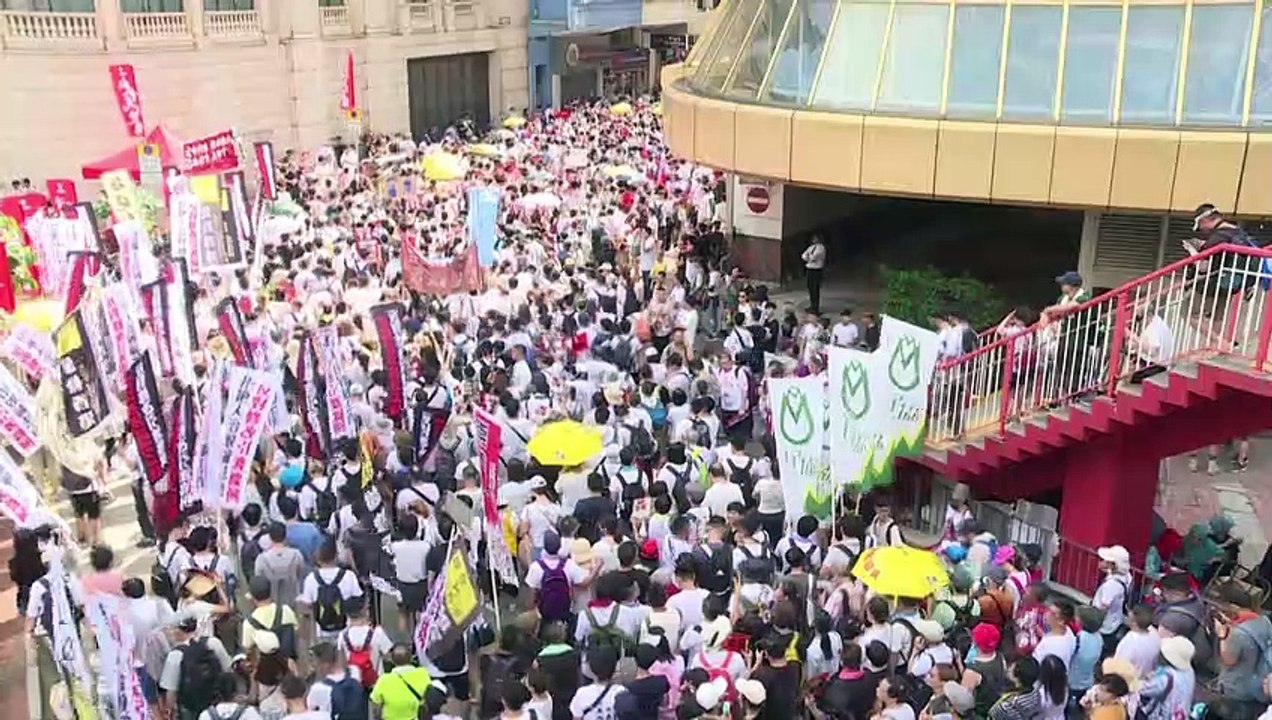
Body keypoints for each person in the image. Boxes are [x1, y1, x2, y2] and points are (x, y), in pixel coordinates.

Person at [158, 616, 233, 720]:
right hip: (216, 701)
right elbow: (228, 669)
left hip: (190, 706)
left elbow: (171, 690)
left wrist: (169, 711)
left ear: (177, 631)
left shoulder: (176, 654)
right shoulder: (213, 643)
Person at [369, 643, 434, 720]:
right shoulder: (422, 674)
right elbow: (428, 701)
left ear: (392, 660)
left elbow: (376, 706)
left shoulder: (384, 680)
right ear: (411, 658)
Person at [1139, 636, 1196, 720]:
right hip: (1181, 714)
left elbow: (1144, 690)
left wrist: (1138, 681)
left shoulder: (1166, 677)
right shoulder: (1190, 671)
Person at [801, 235, 826, 315]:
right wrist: (808, 257)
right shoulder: (811, 247)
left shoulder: (821, 248)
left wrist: (809, 257)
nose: (814, 240)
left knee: (815, 288)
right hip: (809, 269)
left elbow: (814, 257)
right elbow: (804, 255)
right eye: (813, 239)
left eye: (816, 239)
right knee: (810, 287)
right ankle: (812, 305)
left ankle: (816, 307)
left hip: (816, 270)